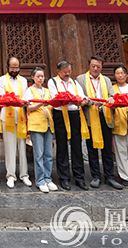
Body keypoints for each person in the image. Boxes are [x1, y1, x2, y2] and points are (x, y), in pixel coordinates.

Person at [76, 56, 123, 190]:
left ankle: (109, 176)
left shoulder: (106, 80)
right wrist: (91, 102)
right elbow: (80, 97)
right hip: (90, 116)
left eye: (98, 66)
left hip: (105, 116)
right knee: (92, 148)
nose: (95, 68)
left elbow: (113, 95)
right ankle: (96, 176)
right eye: (93, 66)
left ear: (101, 67)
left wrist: (110, 99)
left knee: (107, 149)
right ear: (89, 66)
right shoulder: (80, 79)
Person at [48, 61, 89, 191]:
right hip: (60, 115)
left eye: (69, 71)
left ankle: (79, 178)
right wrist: (71, 98)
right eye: (65, 71)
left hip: (74, 114)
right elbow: (55, 98)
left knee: (77, 146)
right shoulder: (52, 82)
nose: (67, 74)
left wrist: (84, 101)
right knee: (62, 146)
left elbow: (81, 98)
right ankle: (64, 178)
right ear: (58, 71)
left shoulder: (75, 83)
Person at [0, 57, 31, 189]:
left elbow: (26, 97)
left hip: (21, 117)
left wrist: (23, 101)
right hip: (7, 117)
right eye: (12, 67)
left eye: (16, 67)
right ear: (7, 67)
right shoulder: (1, 80)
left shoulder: (23, 81)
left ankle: (24, 175)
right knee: (9, 147)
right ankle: (10, 175)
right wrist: (15, 100)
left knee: (22, 147)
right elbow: (1, 97)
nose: (14, 70)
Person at [24, 67, 57, 193]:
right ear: (33, 77)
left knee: (48, 154)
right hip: (36, 124)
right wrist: (40, 104)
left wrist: (49, 105)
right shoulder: (30, 90)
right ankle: (40, 180)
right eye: (38, 76)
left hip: (48, 123)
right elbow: (29, 108)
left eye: (42, 76)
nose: (40, 78)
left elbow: (52, 105)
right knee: (39, 154)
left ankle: (48, 178)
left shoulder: (47, 91)